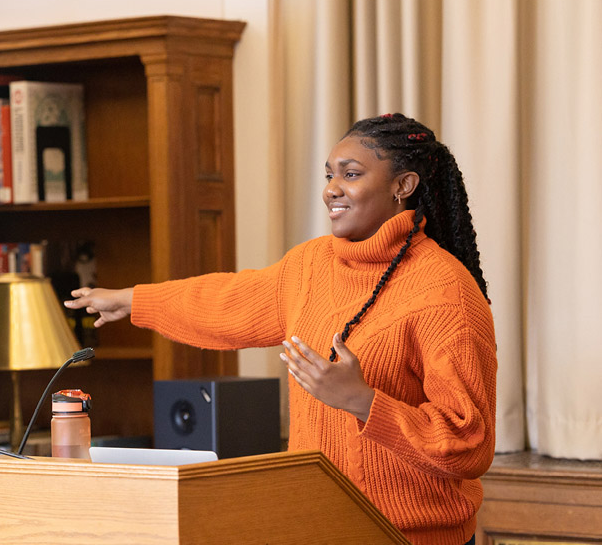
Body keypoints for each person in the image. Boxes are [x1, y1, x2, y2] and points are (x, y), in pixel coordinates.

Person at [65, 113, 496, 545]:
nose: (332, 189)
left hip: (412, 538)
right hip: (313, 528)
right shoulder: (310, 265)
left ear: (403, 185)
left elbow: (468, 440)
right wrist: (133, 300)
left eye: (351, 174)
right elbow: (227, 301)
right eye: (329, 175)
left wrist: (362, 401)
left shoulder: (446, 292)